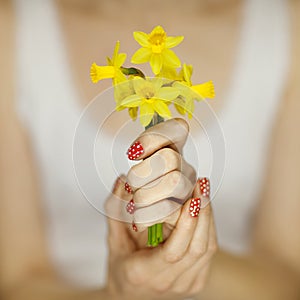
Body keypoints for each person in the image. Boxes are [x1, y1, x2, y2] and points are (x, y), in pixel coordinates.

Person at [1, 0, 300, 299]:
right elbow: (17, 283)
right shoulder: (14, 25)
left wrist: (185, 257)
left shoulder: (284, 23)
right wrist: (119, 291)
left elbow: (288, 280)